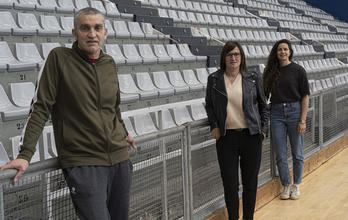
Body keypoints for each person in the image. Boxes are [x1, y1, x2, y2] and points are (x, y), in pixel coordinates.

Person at [0, 7, 136, 220]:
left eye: (97, 28)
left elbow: (113, 108)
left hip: (119, 160)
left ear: (105, 32)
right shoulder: (59, 59)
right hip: (84, 163)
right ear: (75, 33)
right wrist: (25, 154)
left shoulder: (108, 63)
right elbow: (40, 108)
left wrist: (124, 132)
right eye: (85, 28)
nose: (92, 34)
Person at [205, 41, 269, 220]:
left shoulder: (253, 78)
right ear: (224, 58)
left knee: (250, 183)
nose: (233, 58)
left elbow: (264, 107)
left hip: (251, 136)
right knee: (230, 185)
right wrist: (215, 125)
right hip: (227, 139)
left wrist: (263, 130)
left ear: (242, 58)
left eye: (237, 54)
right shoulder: (214, 79)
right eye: (229, 54)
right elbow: (209, 105)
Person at [263, 39, 310, 200]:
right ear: (276, 53)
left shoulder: (298, 70)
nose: (282, 52)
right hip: (276, 113)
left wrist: (302, 120)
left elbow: (305, 96)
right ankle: (286, 185)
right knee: (280, 154)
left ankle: (296, 185)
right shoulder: (270, 72)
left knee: (297, 152)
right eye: (279, 50)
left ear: (290, 52)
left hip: (295, 112)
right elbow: (265, 96)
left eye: (285, 49)